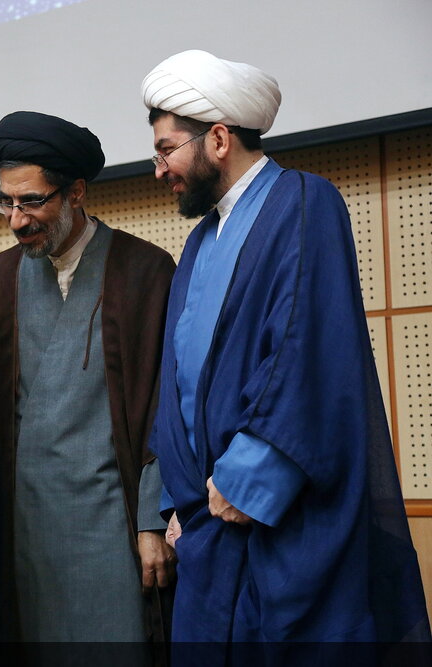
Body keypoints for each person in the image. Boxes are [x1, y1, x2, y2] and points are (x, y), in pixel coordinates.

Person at [141, 50, 430, 655]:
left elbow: (308, 355)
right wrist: (180, 497)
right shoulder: (200, 242)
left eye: (166, 150)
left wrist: (245, 479)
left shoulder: (303, 202)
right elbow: (178, 381)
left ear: (218, 139)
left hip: (272, 520)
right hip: (206, 524)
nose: (159, 169)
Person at [0, 111, 177, 647]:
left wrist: (152, 520)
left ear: (76, 192)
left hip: (114, 522)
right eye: (6, 203)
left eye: (32, 201)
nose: (17, 220)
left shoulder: (144, 272)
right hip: (23, 526)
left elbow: (166, 405)